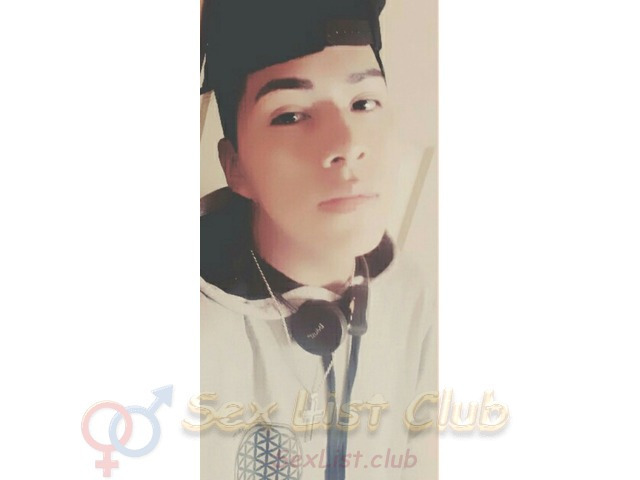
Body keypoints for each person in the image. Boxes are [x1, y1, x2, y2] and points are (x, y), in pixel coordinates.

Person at [199, 1, 437, 478]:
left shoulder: (416, 295)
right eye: (290, 115)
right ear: (234, 165)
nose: (347, 143)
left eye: (363, 103)